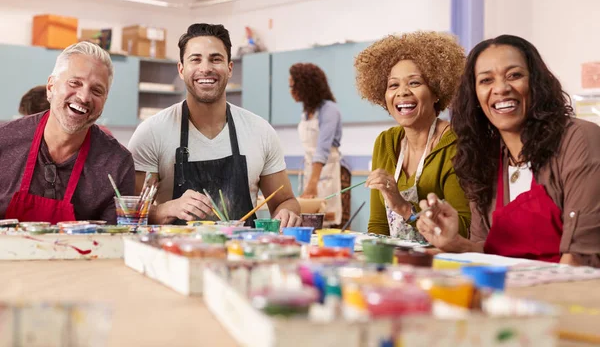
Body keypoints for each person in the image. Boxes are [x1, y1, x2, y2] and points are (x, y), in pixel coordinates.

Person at [417, 35, 600, 267]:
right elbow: (491, 251)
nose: (501, 89)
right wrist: (455, 243)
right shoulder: (483, 158)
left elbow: (580, 257)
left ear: (536, 83)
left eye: (514, 75)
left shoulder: (579, 139)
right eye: (486, 80)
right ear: (474, 95)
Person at [128, 23, 302, 227]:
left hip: (242, 254)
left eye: (216, 59)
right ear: (181, 69)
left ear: (229, 68)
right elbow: (130, 214)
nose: (206, 68)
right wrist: (166, 209)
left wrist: (286, 214)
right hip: (175, 255)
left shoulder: (260, 131)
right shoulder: (152, 133)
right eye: (195, 59)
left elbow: (285, 201)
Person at [0, 42, 135, 224]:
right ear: (51, 87)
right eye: (74, 83)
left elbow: (114, 241)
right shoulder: (5, 141)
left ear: (105, 100)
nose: (84, 97)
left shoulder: (117, 163)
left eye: (97, 90)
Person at [355, 31, 471, 239]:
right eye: (393, 85)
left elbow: (463, 229)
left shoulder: (456, 143)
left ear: (436, 92)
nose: (402, 92)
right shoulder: (385, 143)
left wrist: (403, 206)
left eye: (414, 83)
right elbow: (378, 225)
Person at [288, 63, 351, 227]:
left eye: (293, 87)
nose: (291, 91)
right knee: (310, 221)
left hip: (331, 173)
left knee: (329, 221)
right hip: (313, 170)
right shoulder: (307, 112)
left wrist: (312, 185)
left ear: (305, 86)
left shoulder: (329, 110)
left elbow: (322, 150)